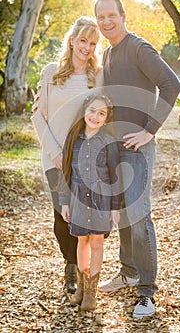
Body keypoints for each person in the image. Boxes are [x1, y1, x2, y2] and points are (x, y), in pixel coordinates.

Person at [94, 0, 180, 319]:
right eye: (100, 17)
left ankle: (146, 293)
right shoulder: (108, 53)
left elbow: (171, 85)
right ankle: (128, 272)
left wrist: (150, 130)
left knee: (139, 216)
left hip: (138, 148)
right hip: (115, 147)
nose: (106, 22)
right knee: (124, 214)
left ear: (123, 15)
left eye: (110, 15)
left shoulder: (138, 48)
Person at [31, 16, 102, 294]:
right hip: (54, 157)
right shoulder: (51, 72)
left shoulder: (98, 76)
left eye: (93, 43)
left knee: (84, 215)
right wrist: (55, 152)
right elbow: (37, 115)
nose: (87, 47)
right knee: (62, 217)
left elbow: (102, 116)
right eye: (83, 40)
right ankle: (69, 264)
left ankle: (83, 269)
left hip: (85, 158)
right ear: (72, 40)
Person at [59, 93, 121, 311]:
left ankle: (91, 293)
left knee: (97, 242)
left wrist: (115, 207)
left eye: (101, 113)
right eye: (92, 110)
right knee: (81, 241)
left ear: (106, 118)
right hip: (77, 197)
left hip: (100, 199)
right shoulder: (73, 137)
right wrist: (64, 202)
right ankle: (81, 288)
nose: (95, 116)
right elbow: (65, 172)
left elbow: (115, 176)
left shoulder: (108, 141)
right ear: (85, 110)